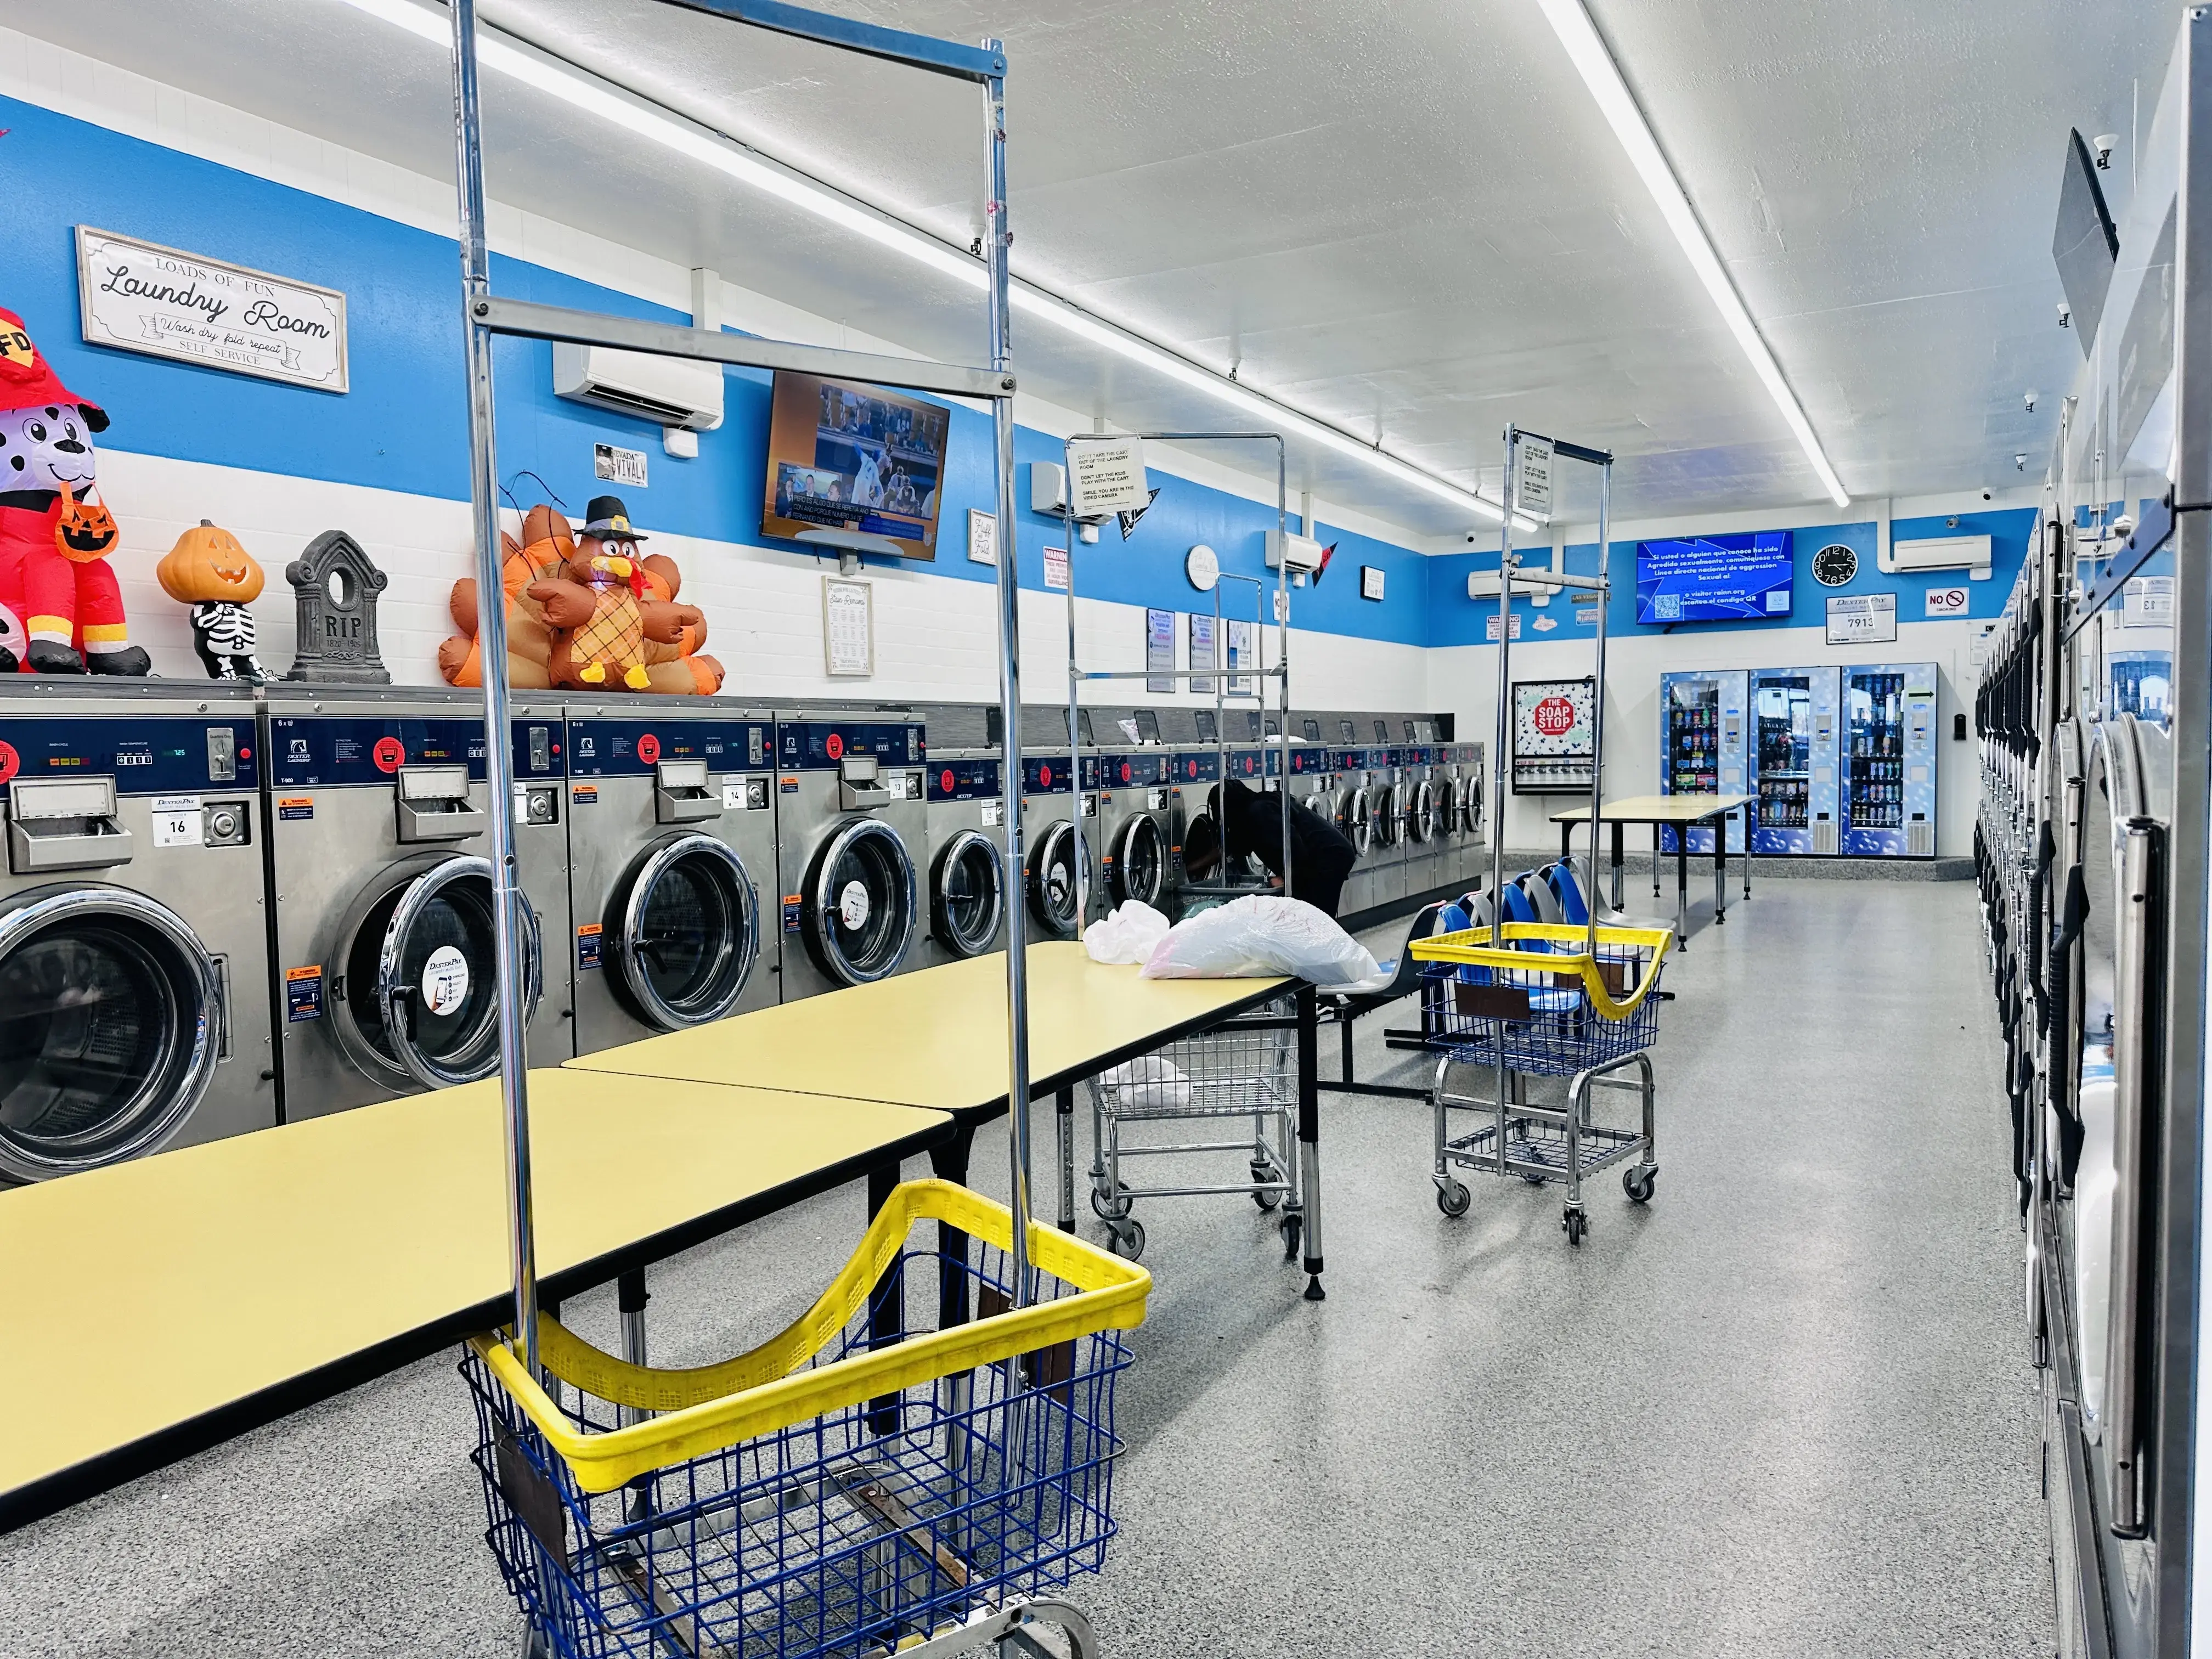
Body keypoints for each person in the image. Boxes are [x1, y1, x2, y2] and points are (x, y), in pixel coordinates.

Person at [1179, 774, 1359, 919]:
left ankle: (1323, 958)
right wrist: (1184, 870)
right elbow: (1224, 851)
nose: (1220, 820)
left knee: (1315, 916)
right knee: (1312, 915)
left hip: (1329, 857)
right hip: (1329, 855)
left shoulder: (1259, 813)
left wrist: (1287, 877)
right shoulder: (1251, 814)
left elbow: (1295, 848)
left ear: (1228, 808)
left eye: (1219, 813)